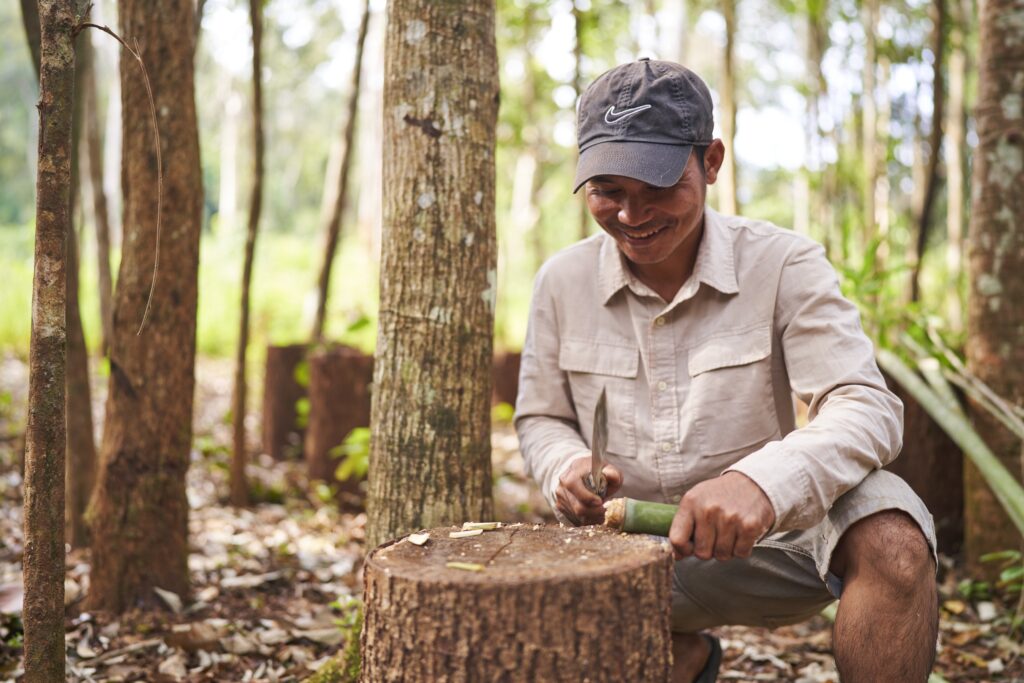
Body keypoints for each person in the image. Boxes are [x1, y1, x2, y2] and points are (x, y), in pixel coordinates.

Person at [514, 59, 938, 683]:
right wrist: (565, 466)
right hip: (623, 552)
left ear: (711, 162)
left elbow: (864, 405)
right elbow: (542, 416)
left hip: (775, 543)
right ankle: (681, 656)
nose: (631, 216)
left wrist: (761, 484)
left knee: (894, 540)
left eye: (656, 187)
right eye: (608, 190)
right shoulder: (561, 282)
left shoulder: (785, 262)